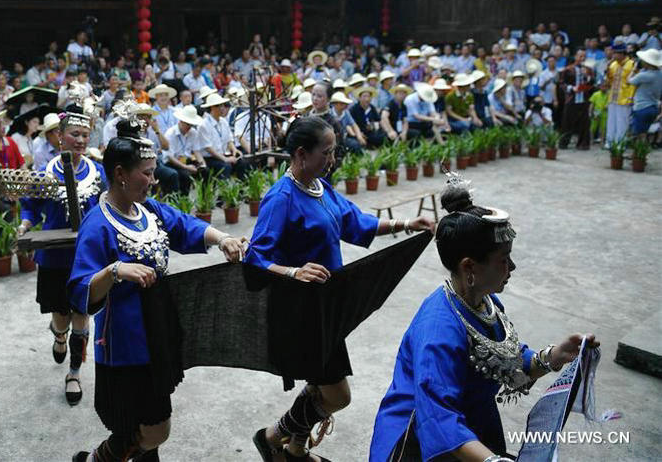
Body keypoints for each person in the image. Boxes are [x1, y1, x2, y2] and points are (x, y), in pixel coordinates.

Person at [369, 178, 599, 462]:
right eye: (504, 259)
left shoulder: (485, 303)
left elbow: (504, 361)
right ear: (469, 267)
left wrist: (554, 356)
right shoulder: (438, 330)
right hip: (424, 442)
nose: (512, 267)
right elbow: (439, 420)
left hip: (470, 430)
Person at [247, 116, 434, 462]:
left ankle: (295, 449)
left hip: (327, 308)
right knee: (337, 396)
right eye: (327, 152)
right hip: (300, 313)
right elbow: (255, 257)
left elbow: (354, 221)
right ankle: (272, 436)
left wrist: (407, 223)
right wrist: (293, 271)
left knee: (321, 387)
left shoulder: (321, 187)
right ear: (301, 154)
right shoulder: (280, 197)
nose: (332, 159)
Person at [68, 131, 244, 462]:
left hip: (157, 330)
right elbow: (81, 290)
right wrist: (116, 270)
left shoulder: (147, 210)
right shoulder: (98, 225)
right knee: (154, 428)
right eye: (146, 173)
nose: (153, 180)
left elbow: (185, 227)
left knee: (147, 430)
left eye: (153, 171)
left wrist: (222, 239)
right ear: (120, 174)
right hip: (125, 343)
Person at [19, 110, 106, 407]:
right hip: (55, 256)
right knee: (62, 316)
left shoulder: (99, 172)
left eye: (85, 136)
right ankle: (58, 336)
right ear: (59, 138)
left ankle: (74, 373)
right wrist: (25, 225)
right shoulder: (44, 173)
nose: (81, 141)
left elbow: (110, 205)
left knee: (82, 316)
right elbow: (30, 206)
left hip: (88, 256)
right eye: (75, 135)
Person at [199, 93, 245, 179]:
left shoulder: (223, 121)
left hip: (223, 154)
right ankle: (224, 191)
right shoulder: (203, 125)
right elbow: (208, 148)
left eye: (222, 105)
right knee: (225, 166)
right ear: (212, 107)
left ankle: (241, 190)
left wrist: (235, 150)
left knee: (242, 162)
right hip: (210, 158)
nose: (222, 108)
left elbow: (229, 140)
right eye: (219, 106)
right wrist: (225, 159)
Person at [162, 105, 206, 193]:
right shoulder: (170, 133)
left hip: (186, 160)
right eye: (187, 124)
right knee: (184, 175)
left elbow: (196, 151)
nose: (189, 127)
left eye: (191, 124)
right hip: (172, 162)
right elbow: (170, 157)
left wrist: (202, 163)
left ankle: (205, 199)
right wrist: (186, 167)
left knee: (205, 171)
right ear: (181, 121)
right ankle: (182, 200)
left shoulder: (193, 132)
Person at [559, 50, 594, 150]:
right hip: (571, 99)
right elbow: (561, 83)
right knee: (567, 122)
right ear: (575, 57)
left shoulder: (588, 70)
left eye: (584, 57)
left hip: (583, 99)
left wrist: (587, 76)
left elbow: (592, 83)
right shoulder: (568, 69)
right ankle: (564, 143)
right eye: (580, 56)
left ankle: (583, 144)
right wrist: (571, 88)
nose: (582, 59)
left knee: (584, 122)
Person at [603, 43, 636, 147]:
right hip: (613, 96)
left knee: (622, 123)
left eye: (615, 53)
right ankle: (609, 142)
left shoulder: (632, 64)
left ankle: (620, 144)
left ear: (621, 54)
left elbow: (633, 83)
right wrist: (607, 70)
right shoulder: (613, 65)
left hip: (625, 97)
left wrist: (631, 97)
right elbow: (608, 82)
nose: (613, 56)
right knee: (611, 121)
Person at [628, 48, 662, 141]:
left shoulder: (644, 75)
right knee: (645, 133)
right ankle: (640, 154)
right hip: (653, 107)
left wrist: (634, 69)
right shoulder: (659, 74)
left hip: (642, 107)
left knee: (640, 135)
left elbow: (630, 80)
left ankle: (639, 154)